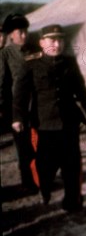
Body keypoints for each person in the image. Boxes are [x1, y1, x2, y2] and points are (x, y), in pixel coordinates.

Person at [12, 24, 86, 212]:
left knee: (71, 165)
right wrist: (18, 118)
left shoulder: (69, 62)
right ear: (42, 43)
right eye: (52, 40)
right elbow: (20, 95)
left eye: (60, 40)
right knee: (45, 166)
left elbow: (80, 88)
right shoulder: (30, 64)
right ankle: (45, 189)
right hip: (44, 125)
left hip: (68, 122)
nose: (57, 44)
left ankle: (72, 201)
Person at [0, 13, 37, 191]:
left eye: (25, 31)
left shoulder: (35, 50)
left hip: (39, 107)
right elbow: (3, 87)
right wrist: (13, 116)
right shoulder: (5, 55)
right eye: (20, 32)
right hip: (19, 110)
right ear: (11, 35)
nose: (24, 35)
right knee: (24, 149)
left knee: (41, 145)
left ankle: (42, 178)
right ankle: (28, 183)